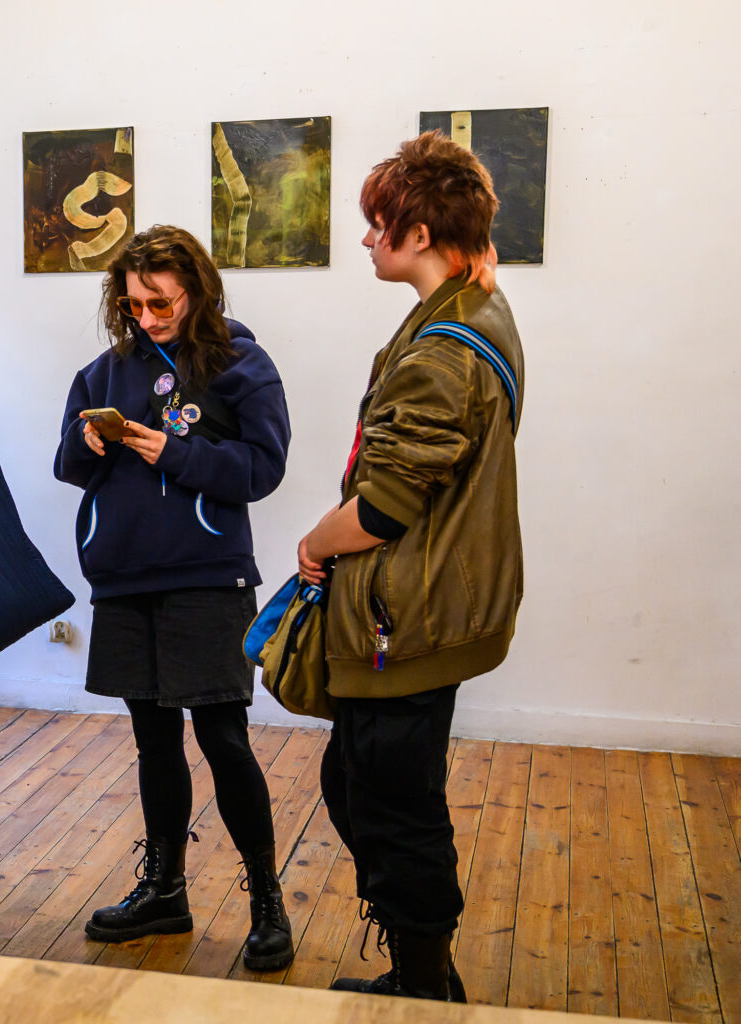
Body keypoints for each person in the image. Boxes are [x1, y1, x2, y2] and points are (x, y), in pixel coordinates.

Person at [298, 132, 525, 1002]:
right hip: (426, 601)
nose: (366, 239)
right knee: (361, 785)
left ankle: (426, 987)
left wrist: (317, 541)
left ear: (420, 234)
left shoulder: (443, 349)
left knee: (392, 806)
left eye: (378, 223)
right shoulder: (474, 307)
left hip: (409, 614)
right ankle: (421, 964)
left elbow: (387, 506)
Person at [53, 225, 295, 969]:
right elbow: (67, 464)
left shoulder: (240, 362)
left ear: (197, 290)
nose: (146, 318)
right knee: (153, 742)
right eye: (133, 305)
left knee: (223, 740)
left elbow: (264, 466)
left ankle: (266, 901)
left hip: (206, 579)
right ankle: (164, 889)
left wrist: (178, 454)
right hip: (124, 580)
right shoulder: (102, 374)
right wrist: (87, 444)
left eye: (160, 303)